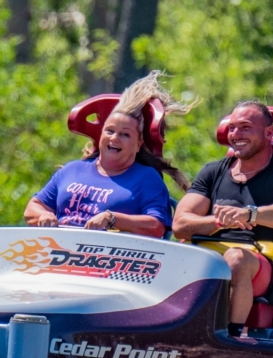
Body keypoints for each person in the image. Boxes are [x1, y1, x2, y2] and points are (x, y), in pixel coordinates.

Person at [172, 101, 273, 337]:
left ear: (269, 133)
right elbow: (180, 225)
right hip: (212, 257)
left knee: (236, 259)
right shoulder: (213, 172)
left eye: (245, 127)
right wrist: (219, 222)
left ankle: (227, 338)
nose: (236, 134)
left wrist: (250, 214)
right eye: (232, 128)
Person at [24, 72, 193, 238]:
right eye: (109, 131)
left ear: (138, 145)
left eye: (125, 134)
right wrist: (43, 216)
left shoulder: (147, 179)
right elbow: (33, 207)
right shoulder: (72, 170)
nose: (114, 138)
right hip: (58, 253)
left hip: (109, 260)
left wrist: (112, 218)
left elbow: (156, 227)